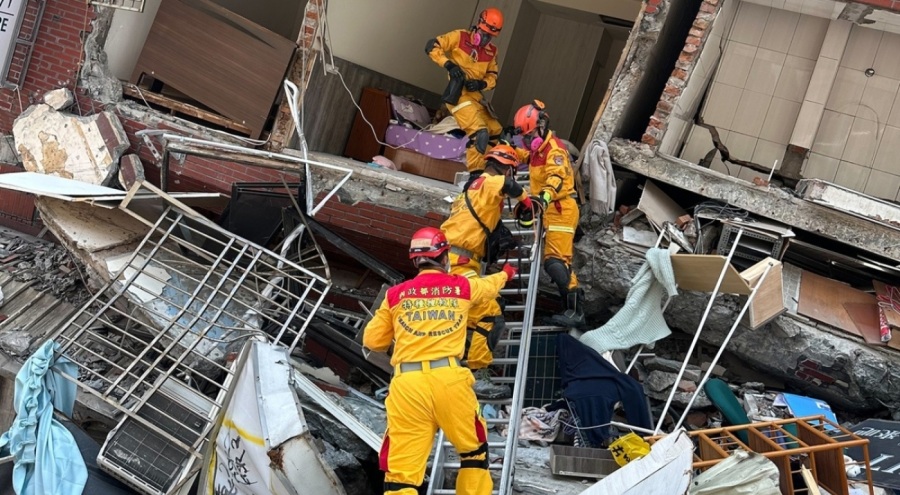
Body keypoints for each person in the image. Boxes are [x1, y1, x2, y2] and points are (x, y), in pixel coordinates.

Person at [363, 227, 517, 495]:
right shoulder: (462, 287)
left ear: (415, 261)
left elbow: (373, 341)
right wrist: (506, 273)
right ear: (445, 257)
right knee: (474, 455)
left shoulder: (396, 294)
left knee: (401, 475)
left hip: (407, 386)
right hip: (449, 381)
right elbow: (489, 286)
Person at [440, 145, 535, 396]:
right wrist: (527, 203)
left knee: (466, 316)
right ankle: (477, 376)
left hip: (452, 260)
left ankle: (456, 370)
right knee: (490, 313)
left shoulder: (472, 188)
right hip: (459, 263)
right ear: (507, 168)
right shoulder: (490, 181)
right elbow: (509, 186)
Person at [511, 99, 584, 327]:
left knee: (556, 263)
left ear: (542, 126)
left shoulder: (555, 150)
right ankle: (571, 310)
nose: (528, 142)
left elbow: (557, 178)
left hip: (560, 209)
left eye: (530, 136)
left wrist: (543, 198)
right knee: (556, 262)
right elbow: (523, 156)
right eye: (525, 138)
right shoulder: (537, 151)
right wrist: (504, 151)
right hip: (550, 211)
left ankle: (576, 312)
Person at [427, 7, 504, 182]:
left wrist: (482, 83)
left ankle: (489, 171)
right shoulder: (460, 36)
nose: (485, 39)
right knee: (480, 133)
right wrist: (449, 65)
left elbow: (493, 76)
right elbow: (431, 45)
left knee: (496, 131)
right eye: (483, 34)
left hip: (476, 96)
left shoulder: (492, 51)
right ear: (478, 26)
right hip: (458, 96)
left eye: (489, 36)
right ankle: (474, 175)